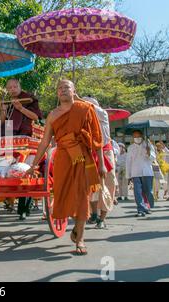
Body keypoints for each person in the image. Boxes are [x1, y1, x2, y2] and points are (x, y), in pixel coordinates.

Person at [26, 79, 106, 255]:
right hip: (63, 158)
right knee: (65, 194)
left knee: (83, 196)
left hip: (84, 158)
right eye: (59, 88)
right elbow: (45, 141)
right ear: (57, 93)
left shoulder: (85, 109)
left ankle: (80, 238)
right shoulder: (53, 115)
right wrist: (33, 164)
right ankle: (76, 225)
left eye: (66, 87)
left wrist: (101, 163)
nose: (63, 90)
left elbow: (97, 137)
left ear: (73, 90)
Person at [0, 78, 43, 220]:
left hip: (26, 137)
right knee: (7, 168)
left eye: (15, 86)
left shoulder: (29, 99)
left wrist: (20, 108)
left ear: (20, 86)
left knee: (26, 169)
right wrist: (4, 111)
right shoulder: (8, 101)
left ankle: (23, 208)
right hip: (9, 137)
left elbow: (36, 117)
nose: (12, 89)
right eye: (9, 87)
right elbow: (2, 121)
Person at [81, 97, 116, 230]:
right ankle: (94, 213)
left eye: (88, 105)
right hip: (89, 154)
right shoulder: (83, 121)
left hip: (106, 152)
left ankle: (102, 218)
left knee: (108, 184)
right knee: (91, 186)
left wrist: (79, 99)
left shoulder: (103, 115)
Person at [126, 130, 156, 217]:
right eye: (135, 137)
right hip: (135, 172)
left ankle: (148, 206)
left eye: (138, 136)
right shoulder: (130, 148)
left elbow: (153, 158)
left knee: (148, 192)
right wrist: (128, 175)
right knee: (137, 192)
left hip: (147, 172)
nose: (137, 138)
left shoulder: (148, 145)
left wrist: (149, 152)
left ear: (142, 136)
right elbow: (128, 162)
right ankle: (140, 209)